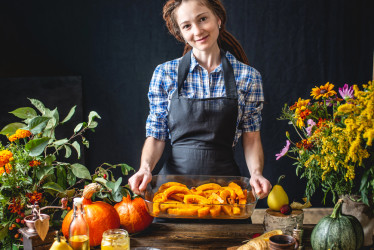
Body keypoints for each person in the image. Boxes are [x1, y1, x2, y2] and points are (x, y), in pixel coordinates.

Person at [128, 0, 271, 200]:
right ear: (180, 33)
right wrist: (145, 169)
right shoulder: (165, 74)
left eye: (203, 19)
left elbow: (252, 137)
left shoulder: (248, 77)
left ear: (218, 19)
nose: (197, 31)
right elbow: (156, 135)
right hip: (171, 193)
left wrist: (256, 174)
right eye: (187, 26)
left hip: (227, 194)